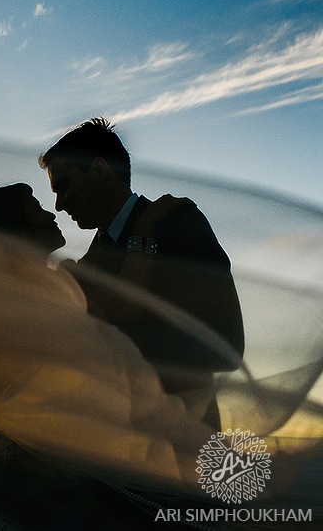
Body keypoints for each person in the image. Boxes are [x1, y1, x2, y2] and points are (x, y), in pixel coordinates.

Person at [0, 183, 216, 530]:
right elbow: (122, 321)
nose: (52, 210)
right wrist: (145, 230)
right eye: (36, 206)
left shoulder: (54, 289)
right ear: (17, 232)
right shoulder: (39, 309)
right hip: (61, 465)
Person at [38, 118, 244, 429]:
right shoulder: (89, 262)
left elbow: (227, 347)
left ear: (98, 169)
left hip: (187, 435)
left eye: (64, 186)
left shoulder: (175, 223)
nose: (58, 204)